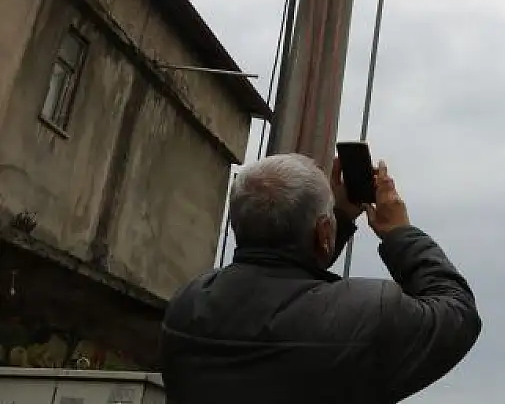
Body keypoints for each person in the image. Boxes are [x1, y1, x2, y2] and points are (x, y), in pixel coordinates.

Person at [160, 153, 481, 404]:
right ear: (324, 233)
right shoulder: (371, 315)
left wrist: (334, 219)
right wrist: (400, 233)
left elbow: (286, 272)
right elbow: (458, 313)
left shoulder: (186, 307)